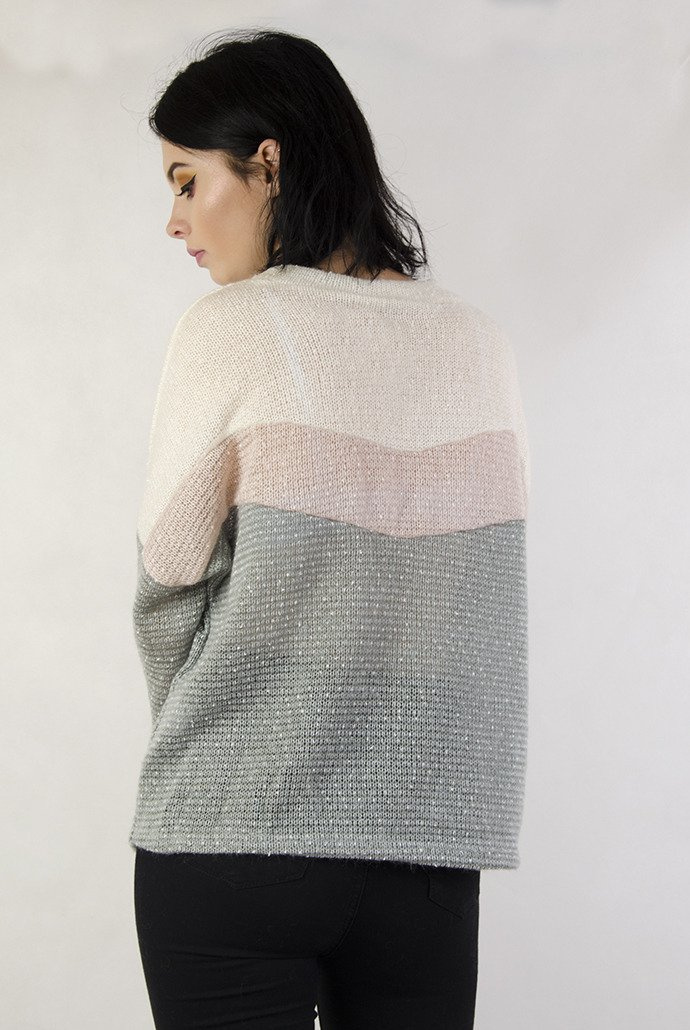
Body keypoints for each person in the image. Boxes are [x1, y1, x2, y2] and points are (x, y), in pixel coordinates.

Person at [130, 26, 530, 1030]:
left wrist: (225, 742)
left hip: (231, 836)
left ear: (266, 163)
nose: (175, 221)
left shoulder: (229, 328)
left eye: (187, 181)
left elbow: (168, 584)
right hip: (426, 855)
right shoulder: (479, 343)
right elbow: (481, 612)